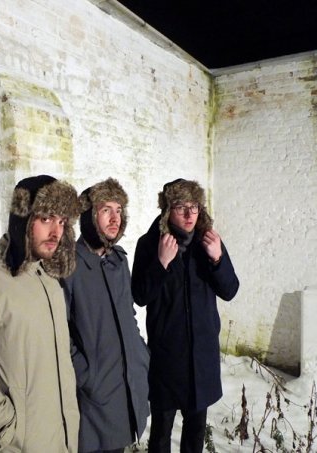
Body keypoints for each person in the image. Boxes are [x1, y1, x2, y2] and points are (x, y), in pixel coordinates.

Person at [0, 175, 81, 453]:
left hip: (62, 439)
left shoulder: (48, 277)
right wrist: (9, 429)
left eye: (62, 221)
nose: (56, 232)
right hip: (19, 445)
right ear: (23, 218)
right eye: (46, 218)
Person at [131, 178, 239, 453]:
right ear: (168, 210)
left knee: (195, 433)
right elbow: (140, 296)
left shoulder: (208, 242)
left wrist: (217, 259)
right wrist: (161, 263)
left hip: (202, 357)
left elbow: (229, 290)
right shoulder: (149, 244)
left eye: (195, 206)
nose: (190, 215)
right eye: (181, 207)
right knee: (161, 434)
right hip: (168, 357)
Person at [63, 178, 150, 453]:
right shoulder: (69, 265)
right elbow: (59, 331)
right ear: (89, 216)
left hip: (127, 384)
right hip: (94, 394)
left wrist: (140, 355)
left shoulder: (119, 260)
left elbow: (128, 314)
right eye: (105, 210)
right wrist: (86, 374)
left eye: (119, 210)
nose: (115, 218)